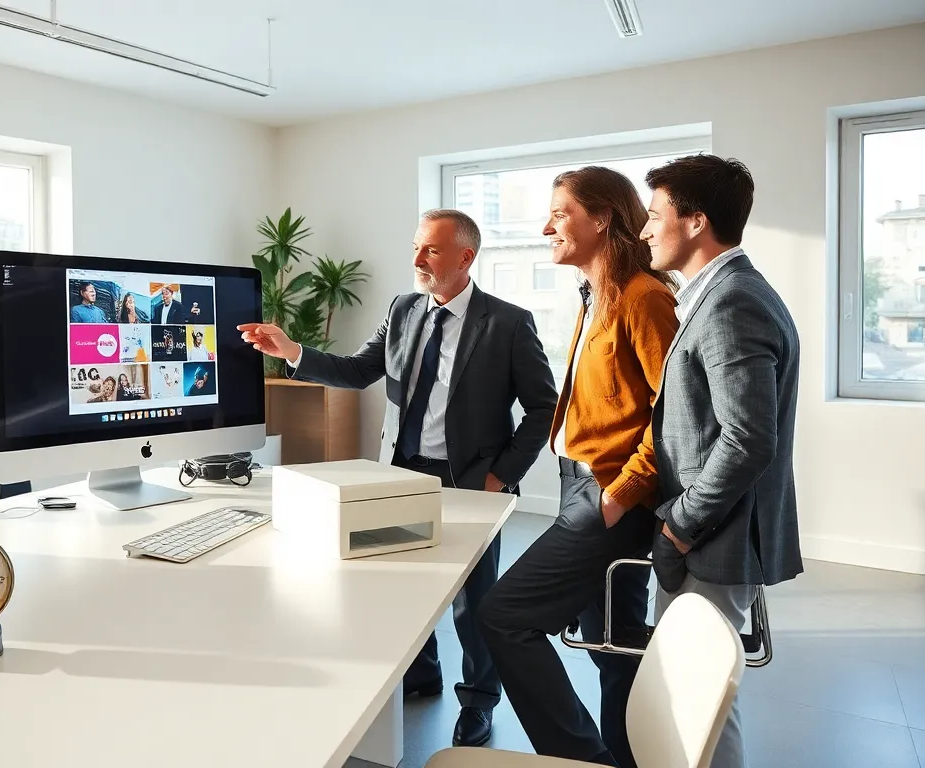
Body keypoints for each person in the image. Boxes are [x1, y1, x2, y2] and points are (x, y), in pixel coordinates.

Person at [239, 208, 557, 748]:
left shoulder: (507, 322)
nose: (417, 260)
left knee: (473, 601)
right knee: (404, 586)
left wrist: (502, 474)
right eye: (415, 247)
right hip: (401, 473)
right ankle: (422, 674)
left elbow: (544, 407)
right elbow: (358, 371)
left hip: (470, 481)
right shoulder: (404, 309)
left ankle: (479, 701)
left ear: (465, 257)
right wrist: (292, 351)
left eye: (430, 250)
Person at [478, 167, 680, 768]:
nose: (546, 227)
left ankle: (578, 759)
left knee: (506, 615)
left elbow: (676, 417)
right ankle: (627, 758)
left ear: (604, 219)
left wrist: (621, 494)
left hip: (608, 496)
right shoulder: (597, 295)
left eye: (559, 213)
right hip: (582, 488)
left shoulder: (645, 298)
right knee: (614, 647)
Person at [641, 155, 801, 768]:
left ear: (696, 221)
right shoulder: (720, 295)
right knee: (696, 702)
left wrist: (679, 522)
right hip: (712, 532)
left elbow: (747, 439)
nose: (647, 230)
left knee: (699, 707)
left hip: (713, 534)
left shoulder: (733, 303)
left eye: (656, 216)